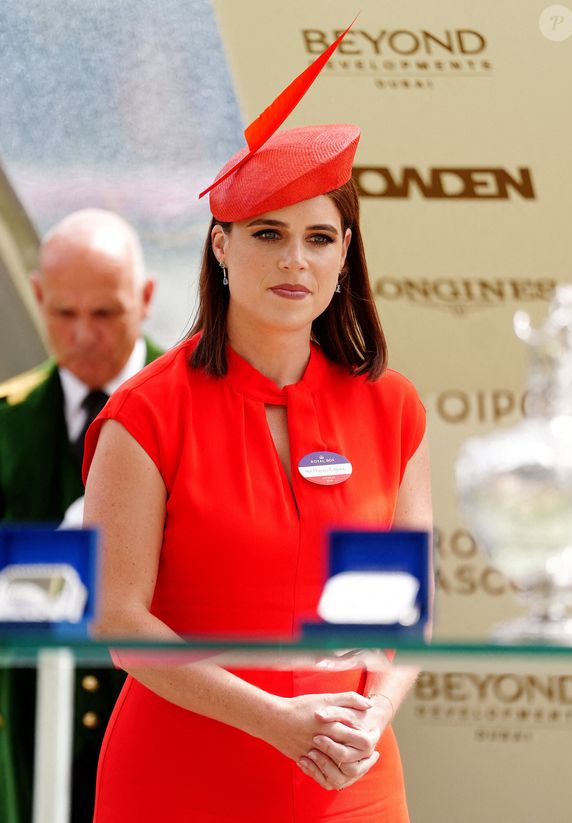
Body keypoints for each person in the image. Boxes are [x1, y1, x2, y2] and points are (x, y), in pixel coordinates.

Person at [82, 119, 432, 822]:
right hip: (180, 777)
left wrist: (373, 716)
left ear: (345, 255)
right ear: (220, 246)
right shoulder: (145, 412)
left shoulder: (392, 407)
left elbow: (407, 612)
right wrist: (276, 718)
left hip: (352, 779)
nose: (294, 260)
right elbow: (117, 618)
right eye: (267, 234)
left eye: (318, 238)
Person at [0, 208, 162, 823]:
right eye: (63, 314)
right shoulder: (8, 423)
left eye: (105, 313)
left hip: (162, 718)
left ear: (145, 299)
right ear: (37, 297)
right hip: (28, 735)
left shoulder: (202, 409)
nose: (84, 335)